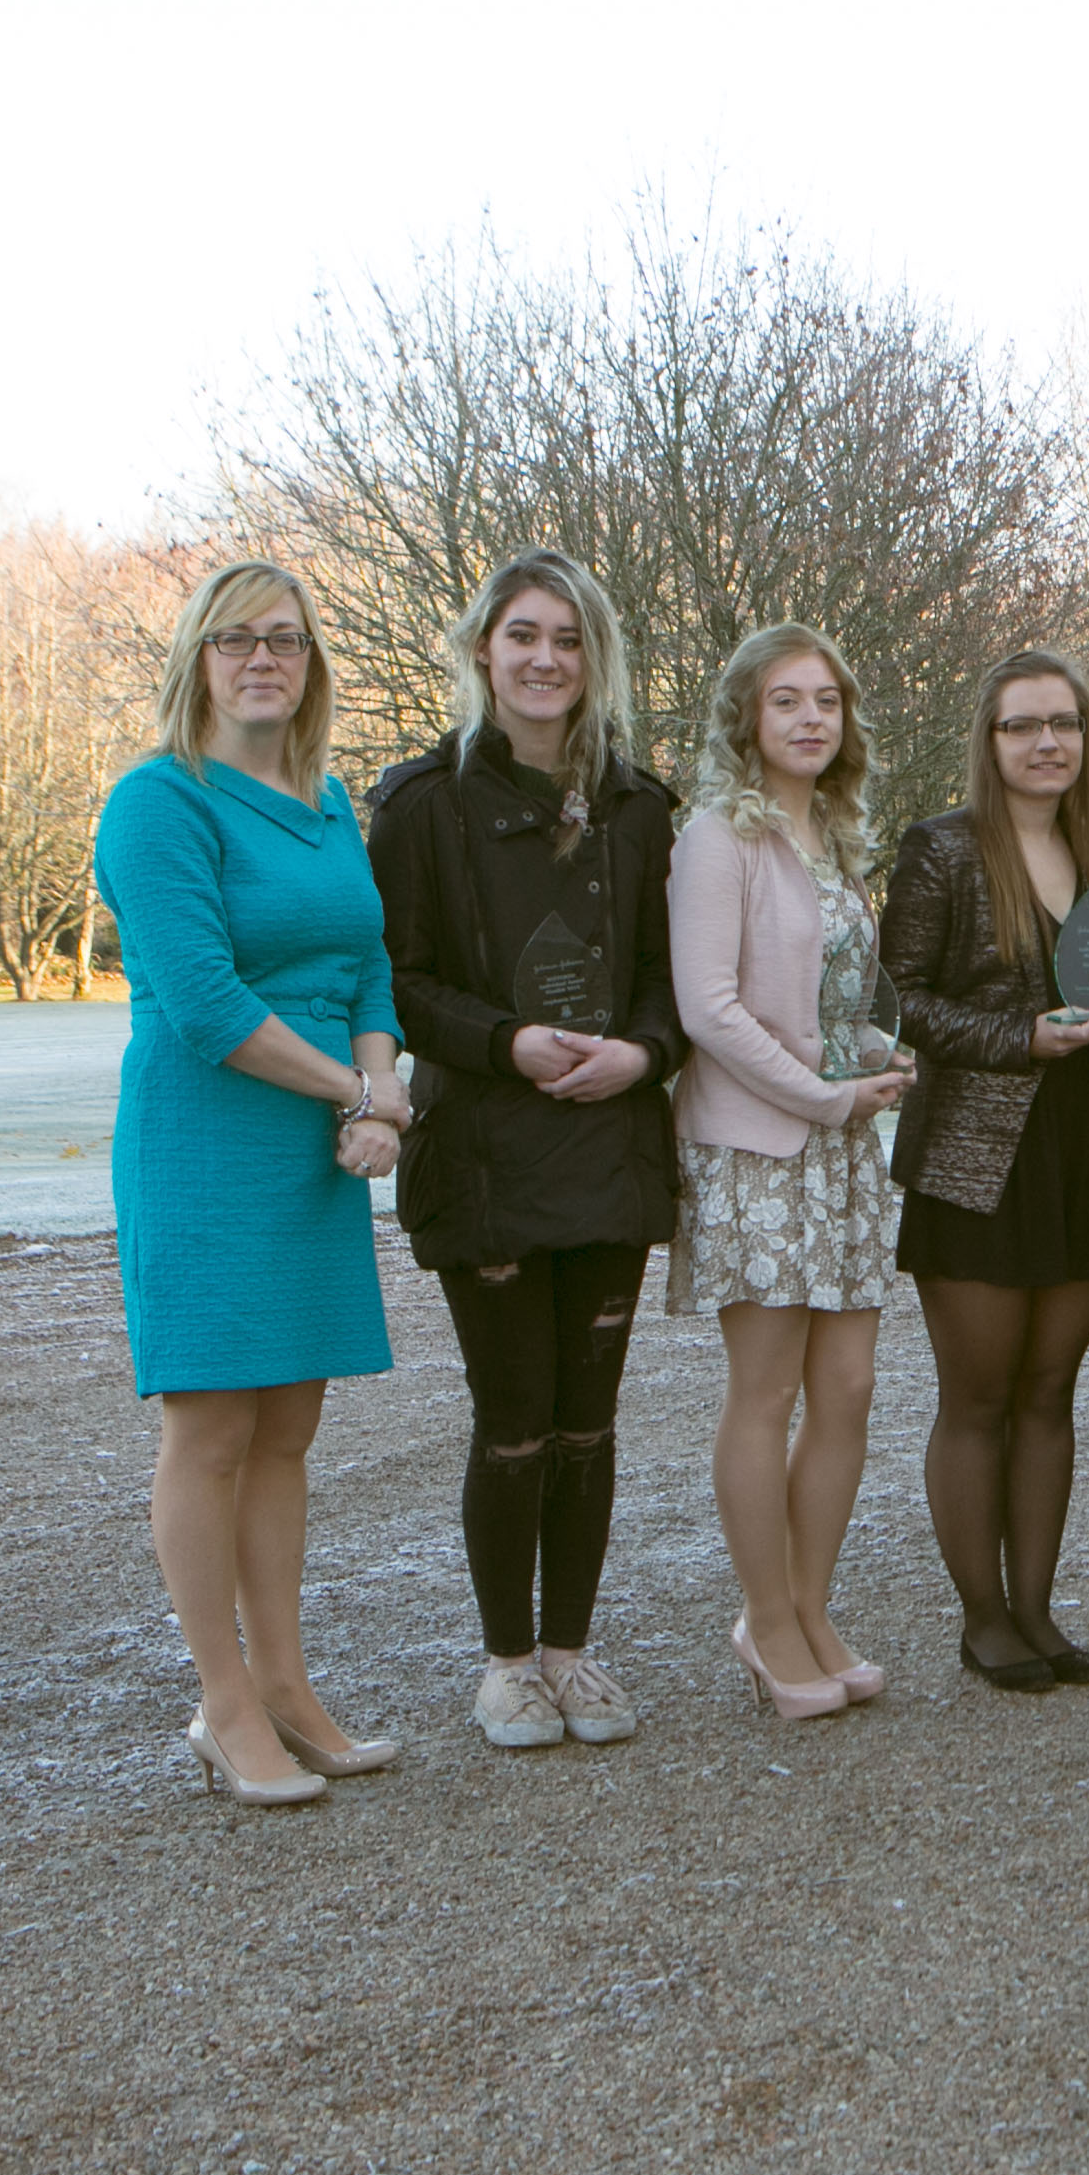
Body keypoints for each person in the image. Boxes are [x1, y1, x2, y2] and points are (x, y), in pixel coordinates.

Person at [93, 560, 409, 1805]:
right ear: (197, 660)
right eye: (235, 641)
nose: (261, 659)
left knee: (289, 1429)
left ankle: (287, 1685)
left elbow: (372, 964)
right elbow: (209, 1003)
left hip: (318, 1145)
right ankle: (223, 1706)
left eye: (283, 639)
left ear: (312, 660)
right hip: (210, 1139)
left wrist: (382, 1090)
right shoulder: (158, 803)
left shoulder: (329, 802)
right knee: (213, 1424)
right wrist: (356, 1097)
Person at [370, 549, 682, 1753]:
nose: (545, 659)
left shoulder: (641, 808)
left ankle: (572, 1651)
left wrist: (642, 1055)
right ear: (481, 650)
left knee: (589, 1419)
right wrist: (508, 1042)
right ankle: (507, 1663)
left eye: (568, 639)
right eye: (523, 636)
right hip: (489, 1152)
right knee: (514, 1417)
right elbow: (392, 980)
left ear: (594, 659)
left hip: (612, 1142)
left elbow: (668, 976)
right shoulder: (420, 807)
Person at [877, 650, 1089, 1693]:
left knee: (1050, 1393)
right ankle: (982, 1616)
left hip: (1075, 1146)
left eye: (1064, 724)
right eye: (1022, 724)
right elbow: (896, 1000)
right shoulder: (941, 850)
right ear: (987, 743)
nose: (1047, 742)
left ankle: (1036, 1607)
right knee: (980, 1397)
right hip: (974, 1157)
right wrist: (1017, 1039)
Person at [665, 625, 912, 1720]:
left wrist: (875, 1057)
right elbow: (709, 1009)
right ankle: (764, 1621)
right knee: (764, 1393)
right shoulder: (718, 837)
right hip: (758, 1148)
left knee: (848, 1390)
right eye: (786, 702)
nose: (812, 719)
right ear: (746, 721)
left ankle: (812, 1608)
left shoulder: (843, 842)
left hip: (845, 1148)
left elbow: (835, 1006)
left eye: (828, 701)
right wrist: (823, 1091)